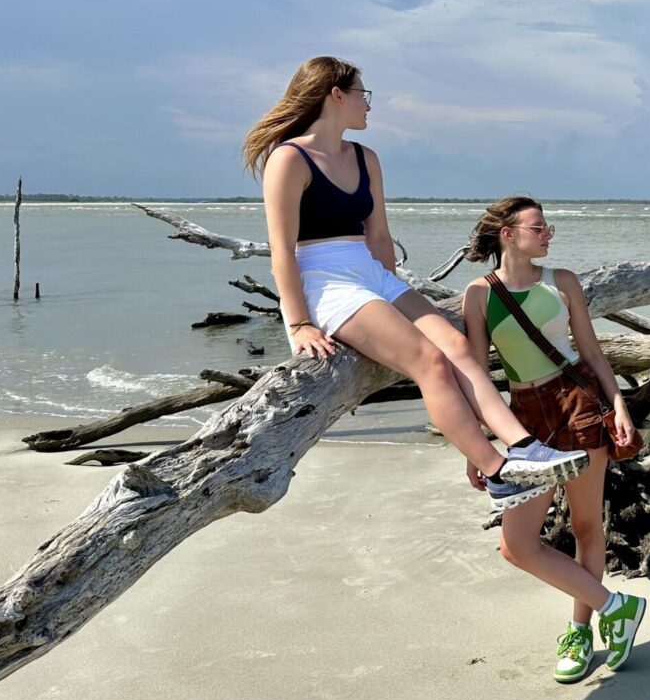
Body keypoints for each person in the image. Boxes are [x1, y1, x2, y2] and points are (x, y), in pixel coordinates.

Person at [242, 56, 589, 503]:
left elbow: (380, 236)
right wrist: (298, 324)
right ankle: (498, 472)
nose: (368, 105)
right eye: (362, 94)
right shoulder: (289, 159)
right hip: (323, 278)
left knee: (457, 346)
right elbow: (283, 251)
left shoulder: (366, 158)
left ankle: (524, 446)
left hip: (370, 272)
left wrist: (391, 293)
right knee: (429, 360)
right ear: (336, 95)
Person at [462, 196, 647, 683]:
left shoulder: (562, 282)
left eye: (547, 227)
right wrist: (475, 444)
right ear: (509, 234)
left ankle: (581, 631)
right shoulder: (479, 294)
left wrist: (620, 403)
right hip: (524, 421)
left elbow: (590, 348)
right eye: (539, 226)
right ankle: (616, 607)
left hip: (577, 404)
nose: (549, 233)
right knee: (516, 544)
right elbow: (478, 373)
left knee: (586, 525)